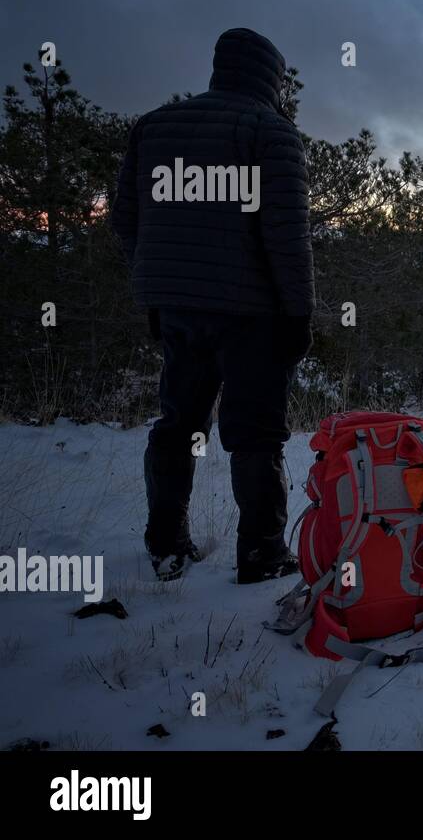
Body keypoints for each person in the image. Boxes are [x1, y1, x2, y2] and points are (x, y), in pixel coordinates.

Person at [111, 28, 315, 584]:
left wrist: (157, 285)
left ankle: (165, 543)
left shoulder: (154, 127)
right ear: (271, 79)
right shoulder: (269, 131)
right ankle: (262, 555)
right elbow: (286, 237)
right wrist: (299, 314)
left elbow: (125, 219)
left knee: (178, 423)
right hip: (252, 316)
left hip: (177, 309)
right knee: (254, 435)